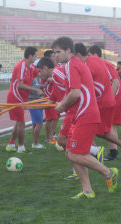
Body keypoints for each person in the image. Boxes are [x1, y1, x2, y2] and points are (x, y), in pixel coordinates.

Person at [52, 36, 118, 199]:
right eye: (54, 53)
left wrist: (61, 106)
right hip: (80, 114)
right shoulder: (73, 64)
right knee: (70, 152)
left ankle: (109, 172)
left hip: (85, 115)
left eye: (58, 52)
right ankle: (87, 191)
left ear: (68, 50)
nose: (56, 55)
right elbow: (74, 92)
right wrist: (63, 102)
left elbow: (75, 93)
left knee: (74, 154)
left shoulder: (72, 65)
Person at [6, 47, 43, 153]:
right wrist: (35, 89)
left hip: (21, 98)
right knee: (21, 123)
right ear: (30, 56)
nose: (36, 58)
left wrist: (50, 76)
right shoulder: (21, 66)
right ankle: (21, 147)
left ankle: (11, 144)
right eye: (35, 56)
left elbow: (38, 74)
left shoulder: (30, 66)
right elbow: (20, 84)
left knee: (18, 123)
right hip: (15, 97)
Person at [88, 45, 121, 160]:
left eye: (90, 55)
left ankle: (111, 152)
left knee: (107, 127)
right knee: (108, 126)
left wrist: (109, 97)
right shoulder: (101, 64)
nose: (88, 58)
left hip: (111, 99)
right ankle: (111, 151)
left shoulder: (105, 64)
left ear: (95, 54)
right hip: (110, 99)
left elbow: (115, 81)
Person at [28, 65, 44, 149]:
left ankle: (35, 142)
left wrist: (44, 86)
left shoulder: (37, 78)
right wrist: (37, 90)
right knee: (39, 123)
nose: (40, 73)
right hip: (33, 101)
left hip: (39, 101)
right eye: (39, 71)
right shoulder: (31, 77)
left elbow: (37, 86)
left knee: (35, 123)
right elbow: (30, 88)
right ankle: (35, 143)